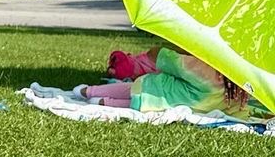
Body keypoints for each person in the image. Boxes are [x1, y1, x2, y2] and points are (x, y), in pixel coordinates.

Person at [83, 46, 268, 119]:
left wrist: (185, 49)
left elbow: (160, 56)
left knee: (128, 90)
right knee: (123, 102)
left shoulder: (204, 70)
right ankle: (102, 102)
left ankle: (89, 92)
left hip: (150, 90)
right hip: (155, 106)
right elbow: (240, 113)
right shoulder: (239, 91)